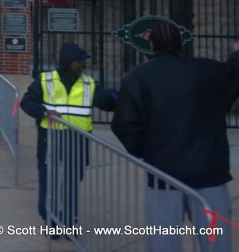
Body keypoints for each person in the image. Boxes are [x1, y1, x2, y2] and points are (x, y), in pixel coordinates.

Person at [112, 23, 239, 252]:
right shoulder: (207, 71)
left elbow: (124, 124)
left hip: (163, 176)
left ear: (152, 46)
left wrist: (148, 151)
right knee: (217, 242)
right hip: (209, 172)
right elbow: (234, 75)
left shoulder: (138, 77)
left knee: (163, 243)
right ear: (180, 44)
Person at [20, 42, 117, 231]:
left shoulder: (88, 83)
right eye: (77, 61)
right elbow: (27, 102)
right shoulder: (46, 80)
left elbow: (103, 100)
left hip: (78, 140)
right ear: (67, 62)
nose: (82, 64)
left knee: (73, 180)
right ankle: (50, 218)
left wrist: (115, 97)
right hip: (51, 139)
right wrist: (42, 112)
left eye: (83, 61)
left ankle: (68, 218)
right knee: (49, 179)